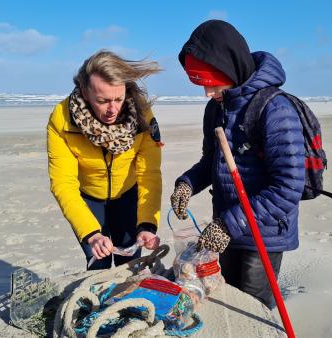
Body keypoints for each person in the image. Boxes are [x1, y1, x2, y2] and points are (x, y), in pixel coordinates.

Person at [170, 20, 306, 308]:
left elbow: (288, 186)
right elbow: (211, 161)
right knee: (229, 297)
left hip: (263, 234)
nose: (207, 93)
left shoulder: (276, 109)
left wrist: (227, 224)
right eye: (201, 85)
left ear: (230, 68)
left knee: (252, 306)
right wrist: (187, 184)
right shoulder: (216, 108)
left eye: (211, 83)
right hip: (227, 225)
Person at [48, 50, 162, 270]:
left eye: (119, 99)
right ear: (85, 92)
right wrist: (91, 234)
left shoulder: (143, 117)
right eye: (102, 100)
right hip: (88, 199)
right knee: (98, 261)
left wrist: (147, 223)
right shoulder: (61, 120)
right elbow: (63, 183)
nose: (112, 110)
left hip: (128, 197)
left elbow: (149, 174)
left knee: (129, 263)